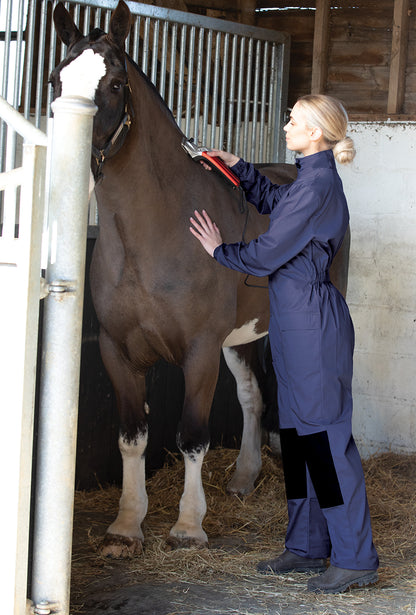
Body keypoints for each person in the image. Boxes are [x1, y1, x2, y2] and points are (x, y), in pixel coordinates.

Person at [189, 94, 379, 594]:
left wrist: (220, 251)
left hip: (314, 327)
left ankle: (355, 557)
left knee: (327, 443)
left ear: (316, 132)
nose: (286, 125)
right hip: (295, 327)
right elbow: (277, 205)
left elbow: (269, 252)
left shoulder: (317, 185)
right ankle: (308, 545)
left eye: (294, 120)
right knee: (298, 441)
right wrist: (242, 170)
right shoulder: (308, 183)